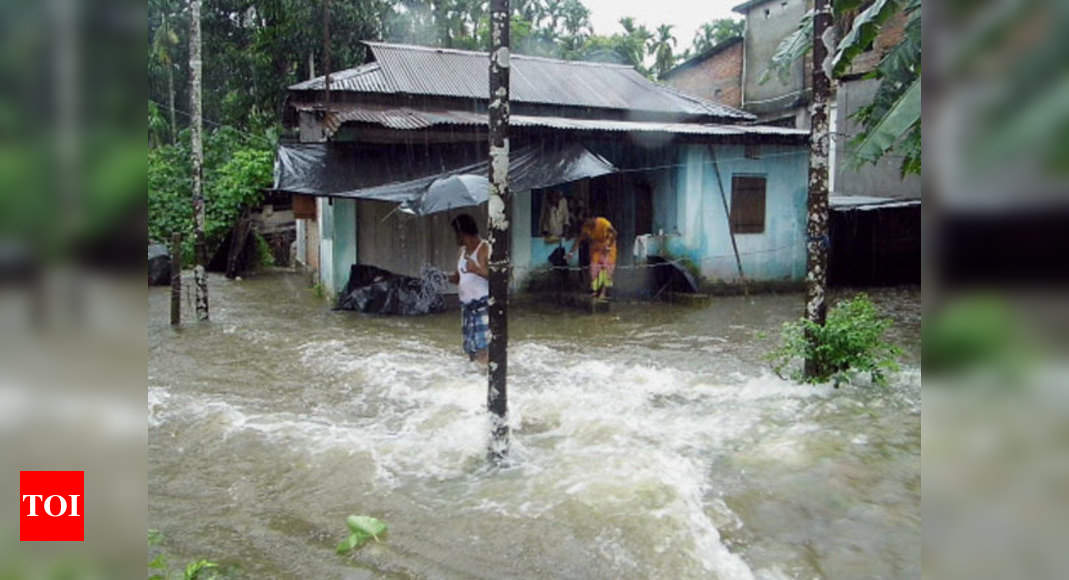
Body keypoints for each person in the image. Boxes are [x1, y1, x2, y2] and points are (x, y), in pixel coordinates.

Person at [447, 214, 490, 363]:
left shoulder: (485, 248)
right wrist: (443, 277)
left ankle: (487, 380)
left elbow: (500, 277)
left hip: (483, 307)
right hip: (467, 308)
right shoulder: (462, 251)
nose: (456, 238)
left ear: (463, 233)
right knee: (471, 349)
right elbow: (459, 278)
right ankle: (475, 382)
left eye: (456, 234)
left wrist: (477, 269)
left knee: (484, 349)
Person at [567, 216, 617, 299]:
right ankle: (595, 291)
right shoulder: (586, 228)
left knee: (606, 269)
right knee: (593, 269)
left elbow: (614, 233)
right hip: (596, 249)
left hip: (608, 248)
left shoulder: (603, 223)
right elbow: (579, 240)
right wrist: (571, 252)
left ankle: (603, 293)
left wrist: (609, 246)